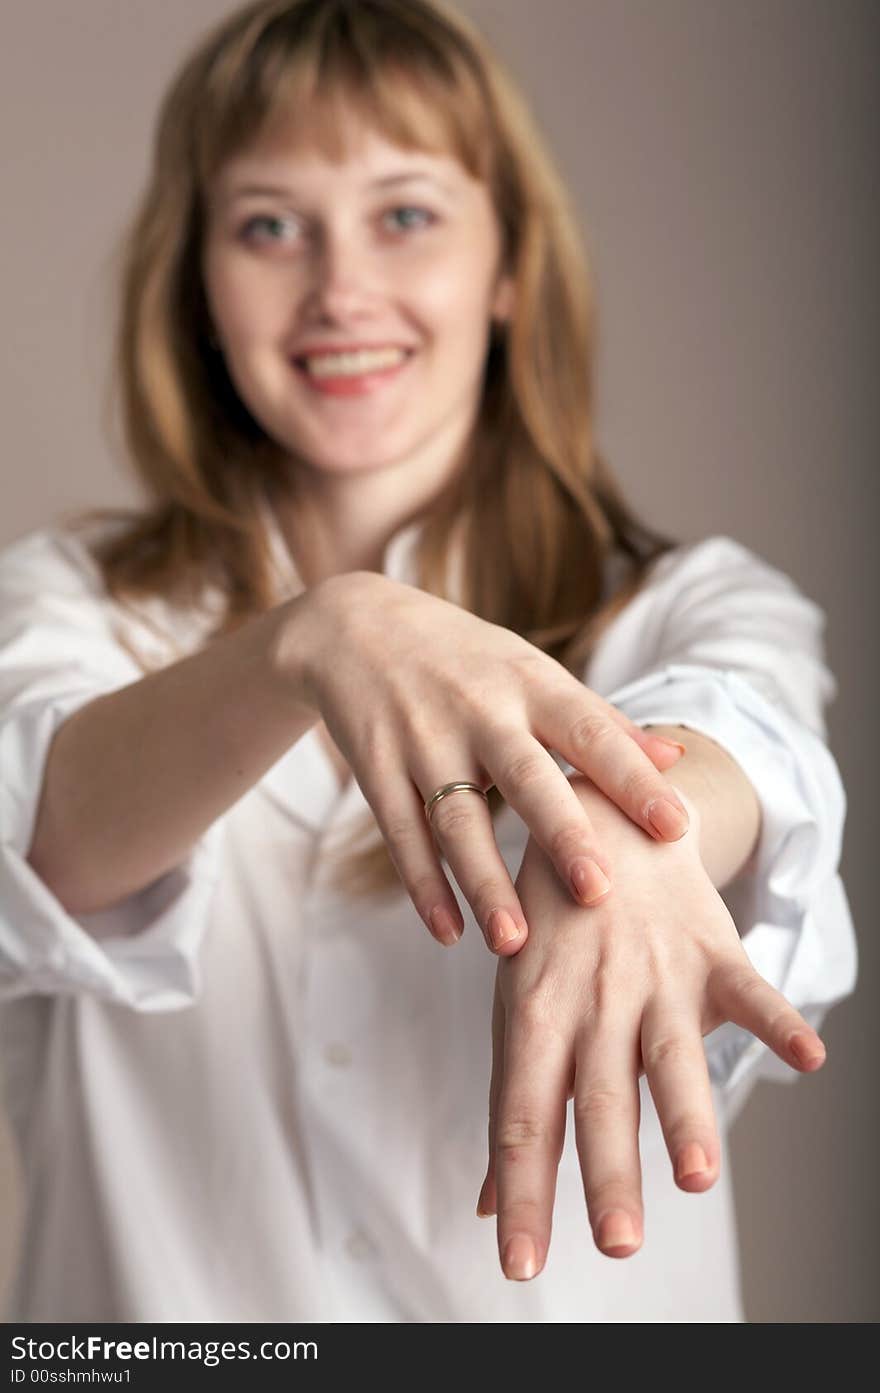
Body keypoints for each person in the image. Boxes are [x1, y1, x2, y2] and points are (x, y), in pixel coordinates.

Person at [0, 0, 857, 1323]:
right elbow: (38, 836)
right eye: (269, 224)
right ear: (197, 286)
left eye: (404, 214)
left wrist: (637, 829)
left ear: (509, 264)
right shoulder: (71, 604)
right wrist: (314, 636)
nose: (341, 287)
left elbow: (751, 745)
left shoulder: (688, 603)